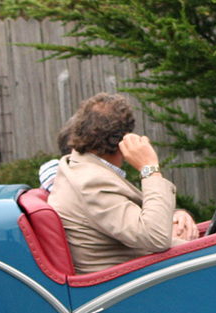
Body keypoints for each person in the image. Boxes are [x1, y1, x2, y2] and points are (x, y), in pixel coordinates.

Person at [49, 93, 200, 273]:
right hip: (129, 287)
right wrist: (150, 169)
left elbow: (134, 216)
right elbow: (155, 238)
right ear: (125, 138)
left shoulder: (78, 166)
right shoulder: (91, 182)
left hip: (138, 273)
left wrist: (177, 215)